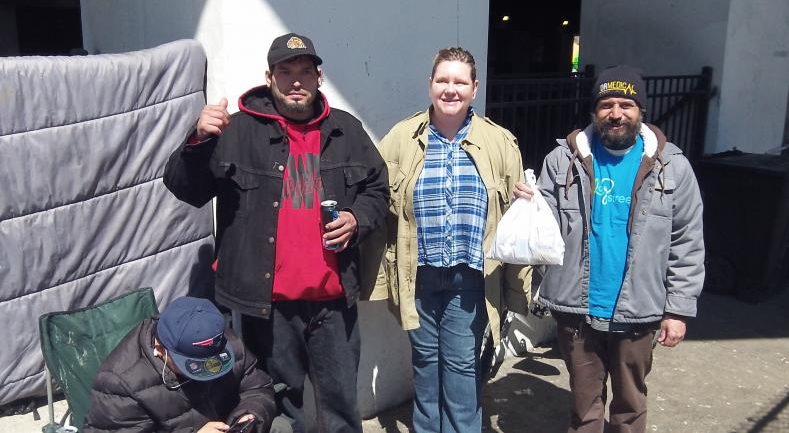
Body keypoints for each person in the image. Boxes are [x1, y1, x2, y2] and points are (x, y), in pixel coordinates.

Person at [163, 33, 389, 432]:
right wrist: (196, 140)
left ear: (320, 77)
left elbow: (377, 188)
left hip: (333, 304)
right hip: (269, 308)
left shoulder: (346, 131)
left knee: (340, 408)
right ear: (269, 77)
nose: (296, 81)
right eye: (285, 72)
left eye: (305, 71)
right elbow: (186, 189)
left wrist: (357, 219)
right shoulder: (237, 131)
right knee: (280, 409)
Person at [514, 65, 705, 433]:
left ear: (640, 112)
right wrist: (529, 203)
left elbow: (688, 242)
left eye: (626, 105)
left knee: (630, 409)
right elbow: (546, 231)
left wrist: (678, 310)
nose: (616, 113)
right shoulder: (563, 161)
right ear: (594, 111)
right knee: (584, 408)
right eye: (607, 105)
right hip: (577, 310)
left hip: (639, 311)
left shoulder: (674, 168)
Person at [374, 47, 531, 433]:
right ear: (429, 85)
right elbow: (374, 197)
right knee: (425, 362)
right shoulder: (399, 138)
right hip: (418, 273)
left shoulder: (499, 142)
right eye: (443, 80)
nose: (450, 89)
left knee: (461, 365)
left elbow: (515, 216)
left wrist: (526, 198)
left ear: (474, 89)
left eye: (460, 82)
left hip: (470, 275)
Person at [84, 296, 275, 432]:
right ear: (160, 347)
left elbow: (258, 388)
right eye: (193, 365)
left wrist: (249, 416)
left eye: (211, 361)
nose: (207, 369)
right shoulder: (120, 383)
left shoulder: (223, 342)